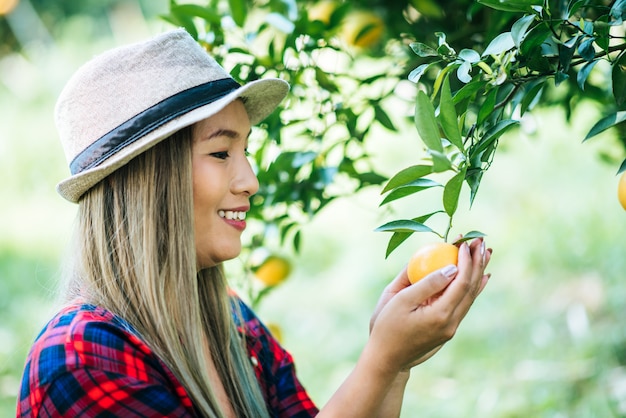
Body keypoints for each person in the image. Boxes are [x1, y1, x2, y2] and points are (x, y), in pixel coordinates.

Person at [16, 29, 492, 417]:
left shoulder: (232, 325)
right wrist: (380, 361)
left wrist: (395, 365)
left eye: (246, 150)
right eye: (221, 152)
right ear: (147, 181)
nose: (251, 181)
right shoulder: (82, 361)